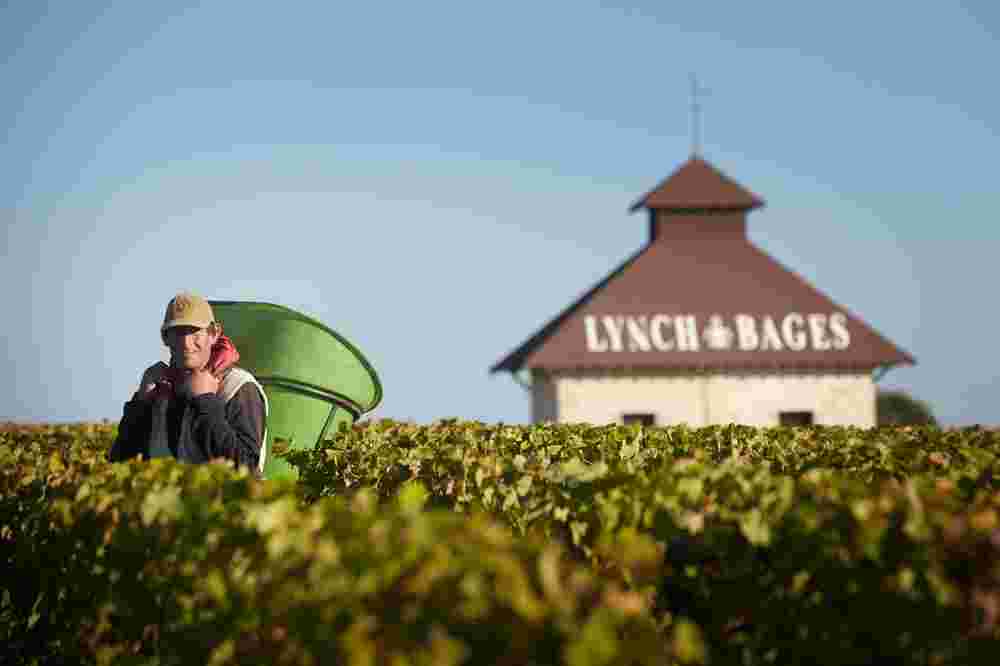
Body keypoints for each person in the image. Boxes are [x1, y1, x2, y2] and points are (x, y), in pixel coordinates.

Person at [109, 292, 268, 477]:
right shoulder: (159, 392)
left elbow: (247, 468)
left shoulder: (238, 387)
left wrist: (206, 402)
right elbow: (119, 465)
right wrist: (141, 403)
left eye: (194, 331)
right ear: (165, 338)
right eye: (177, 332)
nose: (185, 342)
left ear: (214, 334)